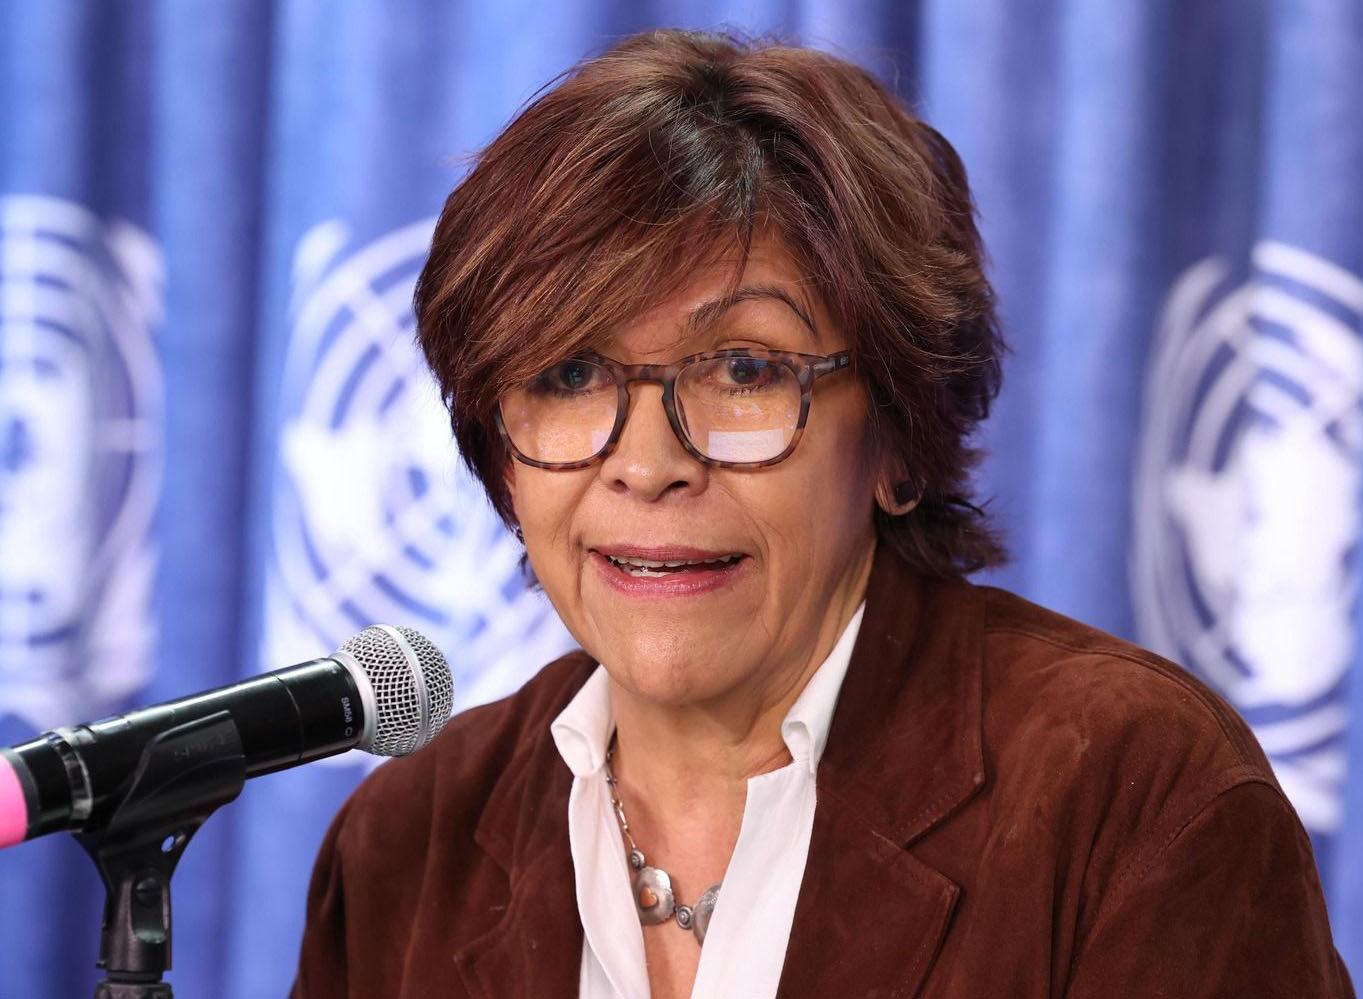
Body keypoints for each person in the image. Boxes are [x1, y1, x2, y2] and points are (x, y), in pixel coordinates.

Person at [291, 28, 1354, 999]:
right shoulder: (408, 844)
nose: (648, 464)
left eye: (744, 369)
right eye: (569, 373)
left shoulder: (1130, 795)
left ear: (896, 434)